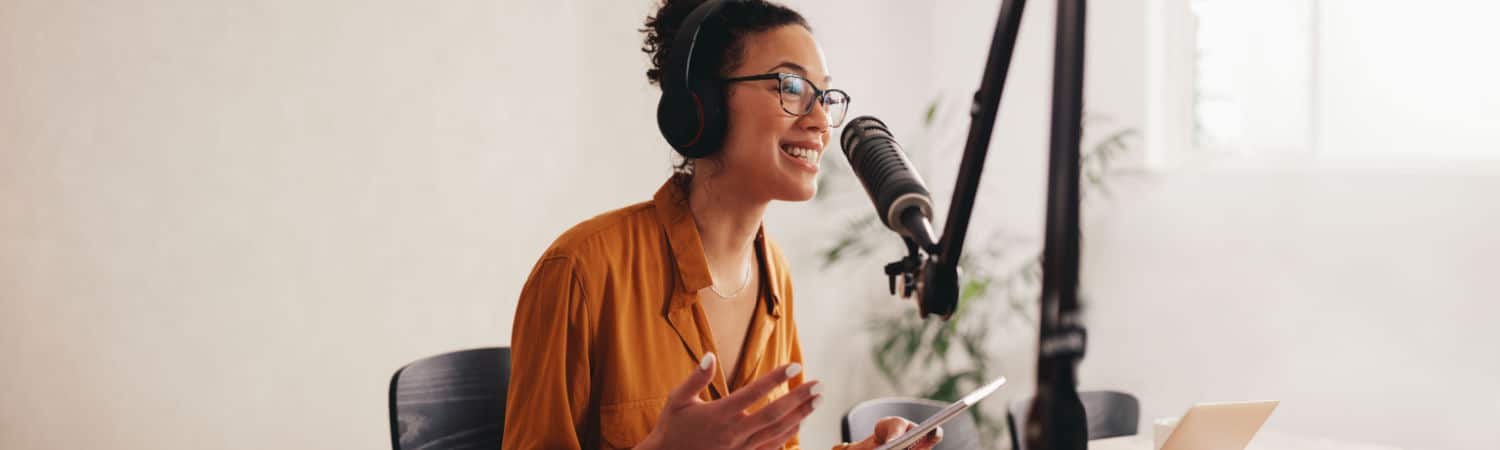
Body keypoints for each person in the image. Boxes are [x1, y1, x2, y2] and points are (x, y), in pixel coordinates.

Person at [502, 1, 943, 449]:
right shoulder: (582, 272)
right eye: (791, 86)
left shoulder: (774, 274)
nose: (819, 121)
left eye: (826, 96)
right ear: (704, 105)